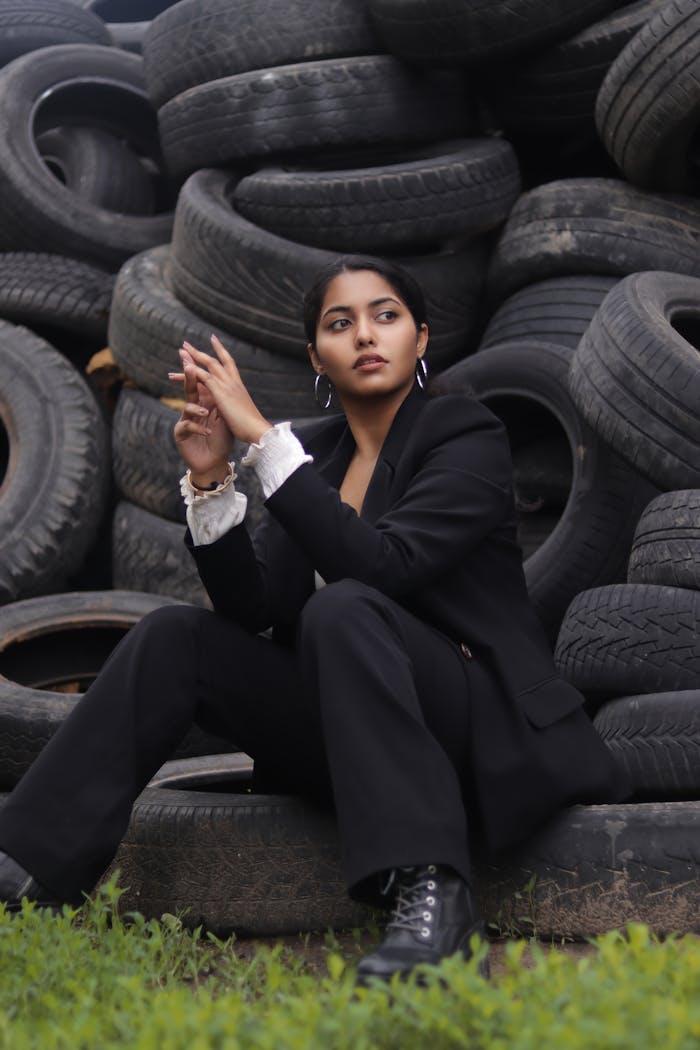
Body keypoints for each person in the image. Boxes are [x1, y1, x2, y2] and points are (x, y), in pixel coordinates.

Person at [0, 257, 630, 984]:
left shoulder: (465, 433)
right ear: (316, 358)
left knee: (347, 605)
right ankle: (26, 868)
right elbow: (256, 608)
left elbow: (386, 569)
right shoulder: (318, 454)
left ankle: (435, 898)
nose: (365, 334)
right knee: (176, 638)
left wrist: (266, 444)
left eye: (386, 316)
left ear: (420, 339)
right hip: (354, 729)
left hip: (471, 723)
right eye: (340, 323)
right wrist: (211, 481)